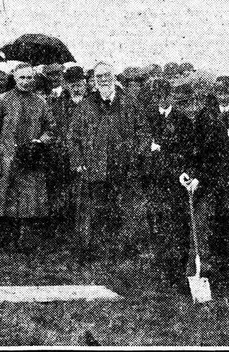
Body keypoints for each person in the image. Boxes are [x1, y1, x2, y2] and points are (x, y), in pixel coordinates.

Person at [67, 62, 149, 259]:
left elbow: (144, 133)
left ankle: (126, 250)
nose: (103, 79)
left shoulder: (130, 102)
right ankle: (97, 250)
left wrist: (135, 156)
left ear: (114, 77)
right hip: (95, 168)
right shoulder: (86, 105)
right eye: (99, 76)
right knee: (97, 210)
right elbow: (72, 136)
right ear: (94, 80)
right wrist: (78, 161)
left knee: (126, 209)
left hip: (124, 168)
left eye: (106, 75)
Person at [181, 76, 229, 283]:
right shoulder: (205, 116)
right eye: (219, 93)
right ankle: (200, 275)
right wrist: (193, 174)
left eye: (226, 92)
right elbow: (196, 149)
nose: (223, 97)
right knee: (202, 227)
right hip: (207, 181)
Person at [0, 63, 56, 249]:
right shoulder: (2, 100)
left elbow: (51, 128)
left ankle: (25, 242)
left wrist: (39, 142)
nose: (26, 81)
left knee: (29, 201)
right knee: (3, 200)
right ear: (14, 78)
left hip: (30, 158)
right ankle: (3, 241)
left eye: (29, 78)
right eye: (22, 78)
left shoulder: (41, 102)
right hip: (6, 158)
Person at [144, 78, 192, 286]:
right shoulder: (148, 118)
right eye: (157, 96)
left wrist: (161, 148)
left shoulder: (182, 120)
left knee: (178, 226)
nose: (161, 99)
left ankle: (178, 271)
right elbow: (143, 144)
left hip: (174, 182)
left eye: (165, 95)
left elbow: (185, 150)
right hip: (155, 181)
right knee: (158, 225)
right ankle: (163, 269)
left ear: (170, 96)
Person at [47, 65, 86, 235]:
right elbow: (53, 129)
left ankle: (81, 231)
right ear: (66, 84)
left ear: (85, 83)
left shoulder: (93, 102)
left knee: (84, 195)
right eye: (72, 84)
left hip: (87, 156)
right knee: (62, 194)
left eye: (79, 83)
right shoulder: (58, 105)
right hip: (63, 156)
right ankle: (62, 230)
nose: (76, 87)